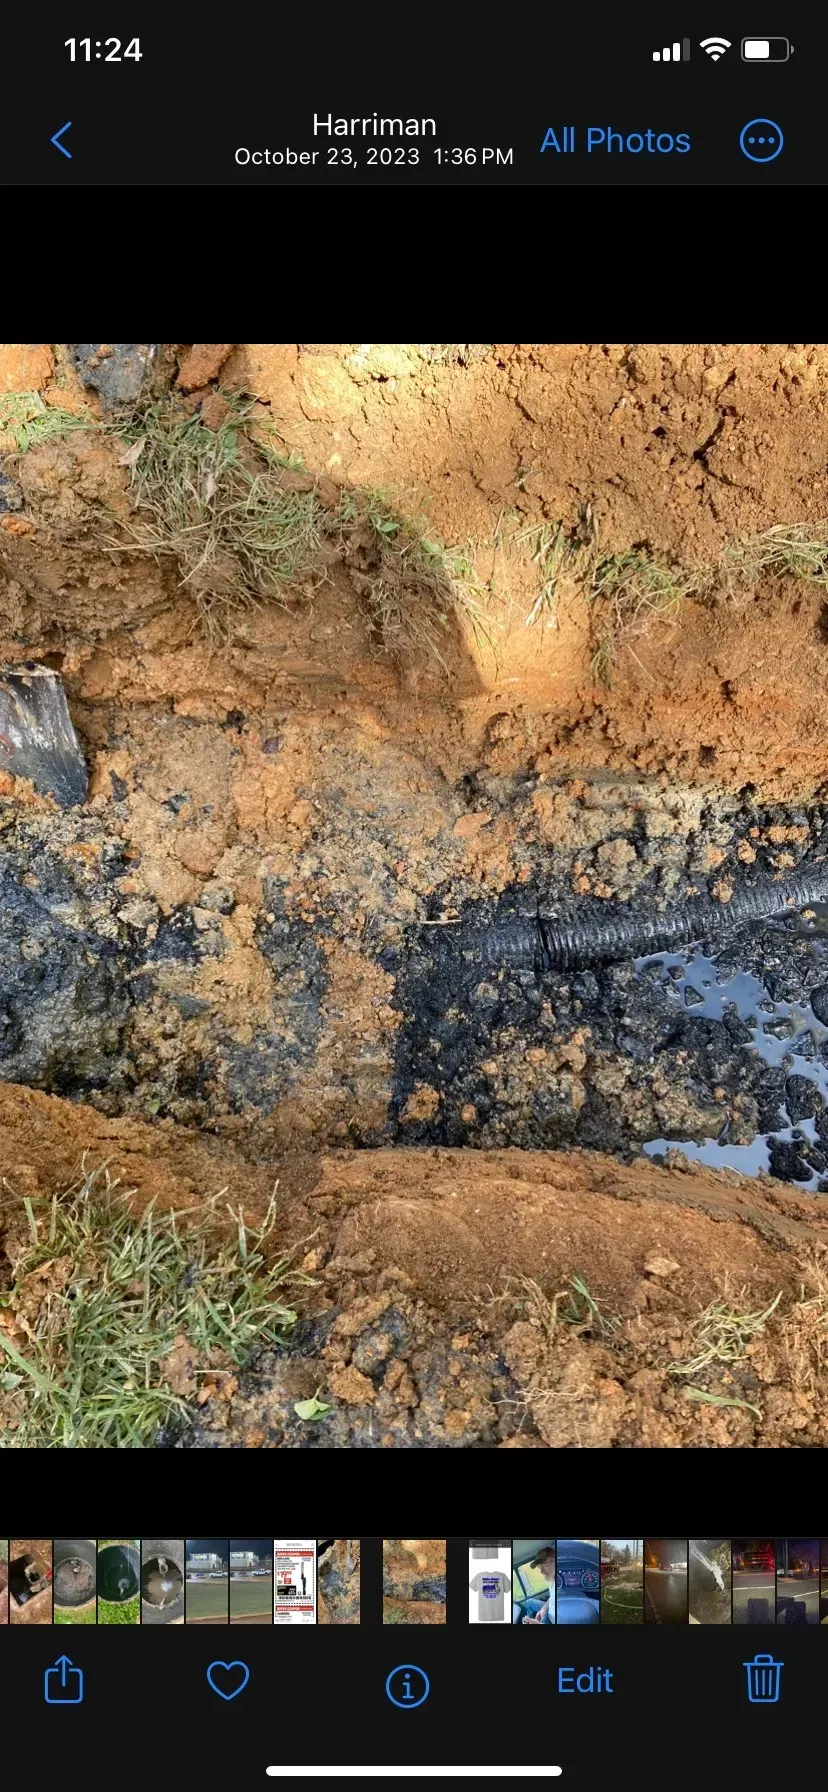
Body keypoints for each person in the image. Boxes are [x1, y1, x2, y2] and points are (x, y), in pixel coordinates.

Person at [522, 1547, 556, 1623]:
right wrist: (543, 1609)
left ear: (555, 1562)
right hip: (549, 1610)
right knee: (529, 1601)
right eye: (539, 1567)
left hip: (551, 1620)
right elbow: (552, 1597)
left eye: (543, 1565)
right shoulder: (552, 1579)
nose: (541, 1571)